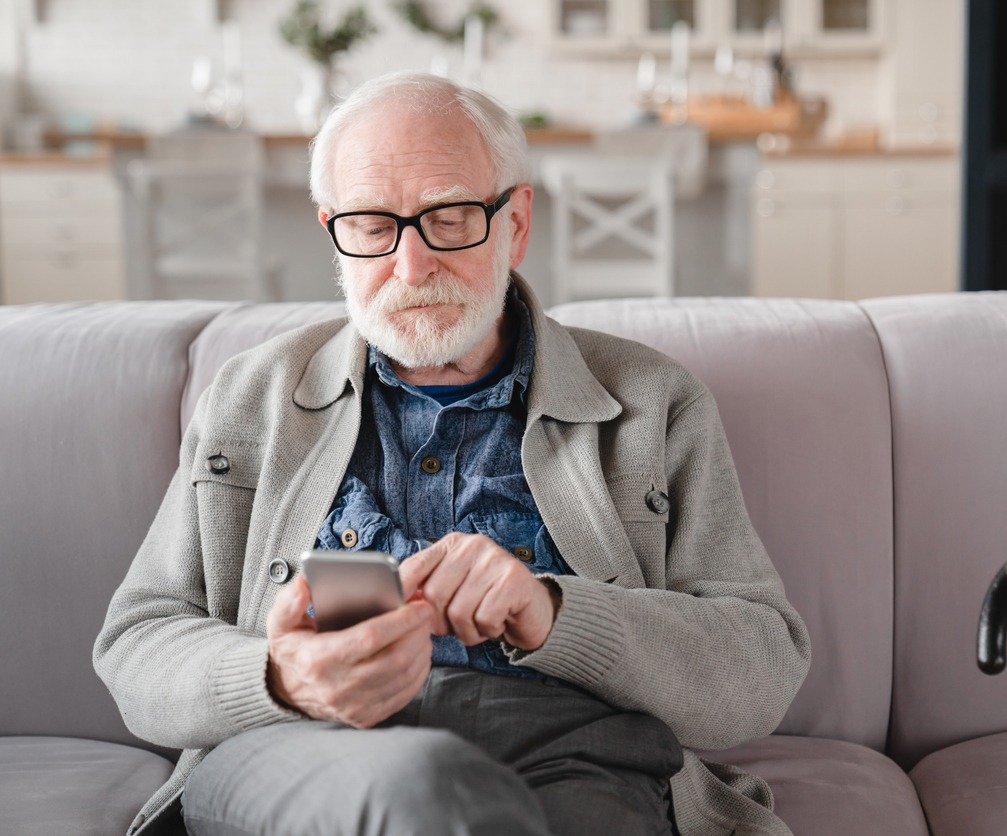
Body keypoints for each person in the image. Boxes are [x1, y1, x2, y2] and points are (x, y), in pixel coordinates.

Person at [94, 71, 810, 836]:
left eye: (449, 217)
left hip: (573, 753)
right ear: (334, 232)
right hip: (303, 750)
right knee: (422, 789)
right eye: (372, 226)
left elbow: (760, 667)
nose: (411, 267)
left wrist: (554, 613)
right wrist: (276, 675)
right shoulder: (250, 399)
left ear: (516, 223)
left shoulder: (652, 402)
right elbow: (138, 646)